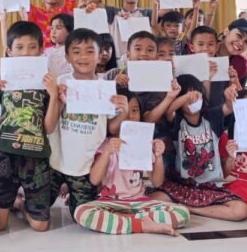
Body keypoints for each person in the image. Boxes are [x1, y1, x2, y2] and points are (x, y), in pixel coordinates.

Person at [0, 21, 60, 232]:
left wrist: (54, 94)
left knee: (41, 226)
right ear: (9, 51)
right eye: (19, 47)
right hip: (6, 154)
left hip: (36, 156)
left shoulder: (47, 82)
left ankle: (21, 205)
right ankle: (10, 200)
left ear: (41, 51)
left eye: (32, 47)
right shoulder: (2, 79)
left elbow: (49, 128)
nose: (26, 52)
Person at [74, 94, 190, 236]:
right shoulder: (104, 143)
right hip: (109, 203)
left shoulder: (143, 143)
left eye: (135, 111)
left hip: (140, 202)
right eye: (124, 111)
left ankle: (124, 222)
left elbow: (157, 182)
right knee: (82, 213)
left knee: (182, 213)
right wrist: (107, 152)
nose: (130, 116)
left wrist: (158, 156)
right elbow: (94, 179)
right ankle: (141, 224)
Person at [51, 29, 129, 218]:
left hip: (85, 166)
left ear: (100, 54)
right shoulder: (61, 82)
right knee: (38, 212)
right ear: (67, 56)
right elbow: (50, 124)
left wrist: (123, 112)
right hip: (54, 163)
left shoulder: (105, 87)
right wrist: (57, 99)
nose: (83, 57)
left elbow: (110, 127)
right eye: (76, 51)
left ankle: (72, 196)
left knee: (84, 217)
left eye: (89, 51)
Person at [148, 75, 247, 221]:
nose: (193, 100)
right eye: (188, 97)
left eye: (197, 94)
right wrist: (185, 97)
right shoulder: (178, 121)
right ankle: (187, 204)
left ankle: (191, 208)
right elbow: (168, 111)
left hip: (211, 186)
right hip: (182, 185)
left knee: (240, 211)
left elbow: (228, 107)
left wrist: (228, 95)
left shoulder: (211, 116)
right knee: (151, 201)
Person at [93, 0, 160, 58]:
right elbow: (91, 2)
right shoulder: (113, 12)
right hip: (116, 61)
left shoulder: (147, 13)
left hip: (140, 59)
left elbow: (171, 8)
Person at [216, 18, 247, 88]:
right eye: (239, 36)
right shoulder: (204, 50)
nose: (241, 43)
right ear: (226, 31)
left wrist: (236, 82)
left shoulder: (242, 65)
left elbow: (241, 96)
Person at [46, 13, 73, 78]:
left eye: (58, 28)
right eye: (52, 28)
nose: (53, 32)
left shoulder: (72, 51)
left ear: (69, 32)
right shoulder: (46, 51)